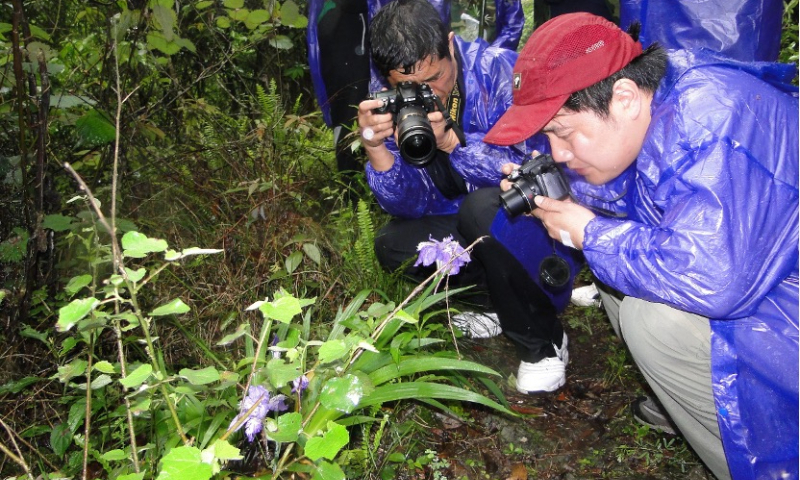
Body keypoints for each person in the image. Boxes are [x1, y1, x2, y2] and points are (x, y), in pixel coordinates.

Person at [483, 12, 798, 479]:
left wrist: (588, 231)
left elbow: (715, 277)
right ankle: (691, 405)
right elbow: (646, 196)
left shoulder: (712, 116)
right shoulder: (662, 105)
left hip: (778, 309)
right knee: (621, 275)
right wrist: (563, 201)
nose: (558, 153)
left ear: (624, 97)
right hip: (770, 285)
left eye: (562, 132)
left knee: (653, 323)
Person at [357, 0, 583, 394]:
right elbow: (408, 207)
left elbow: (536, 166)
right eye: (410, 86)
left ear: (450, 43)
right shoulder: (389, 98)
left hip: (536, 224)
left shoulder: (502, 72)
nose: (429, 94)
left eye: (436, 77)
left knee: (481, 210)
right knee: (394, 245)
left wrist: (454, 144)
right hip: (467, 224)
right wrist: (377, 151)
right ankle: (493, 303)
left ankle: (543, 342)